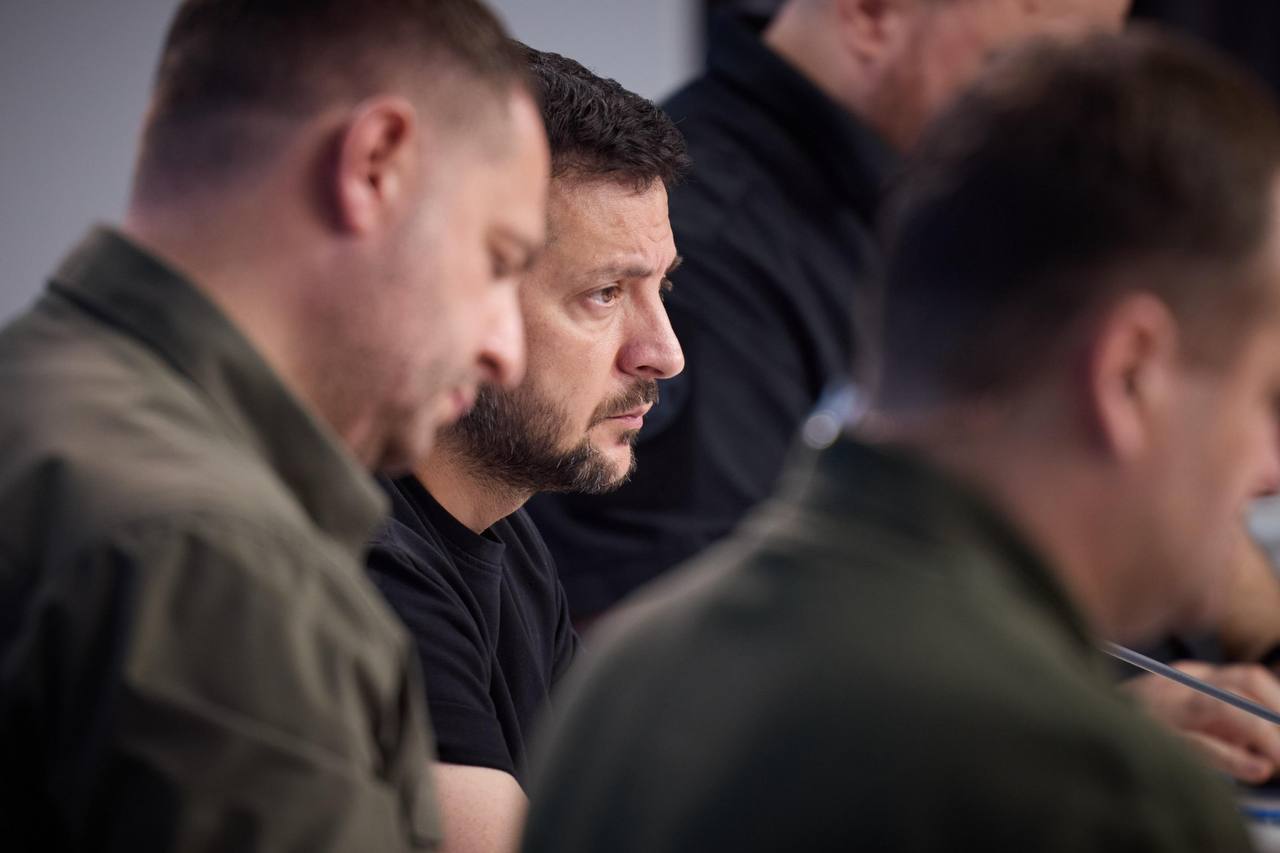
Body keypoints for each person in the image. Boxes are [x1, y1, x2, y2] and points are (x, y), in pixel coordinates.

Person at [522, 29, 1280, 852]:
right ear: (1128, 374)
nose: (1270, 471)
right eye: (1267, 397)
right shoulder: (1094, 788)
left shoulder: (628, 674)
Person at [0, 1, 549, 849]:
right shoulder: (224, 561)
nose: (504, 351)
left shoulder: (36, 402)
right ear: (375, 165)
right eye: (498, 260)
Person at [527, 0, 1132, 624]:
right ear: (870, 14)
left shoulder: (934, 202)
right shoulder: (708, 238)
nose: (1076, 123)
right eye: (1028, 70)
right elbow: (701, 638)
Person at [365, 47, 686, 853]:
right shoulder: (364, 562)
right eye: (605, 293)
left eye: (662, 288)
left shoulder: (510, 538)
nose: (663, 352)